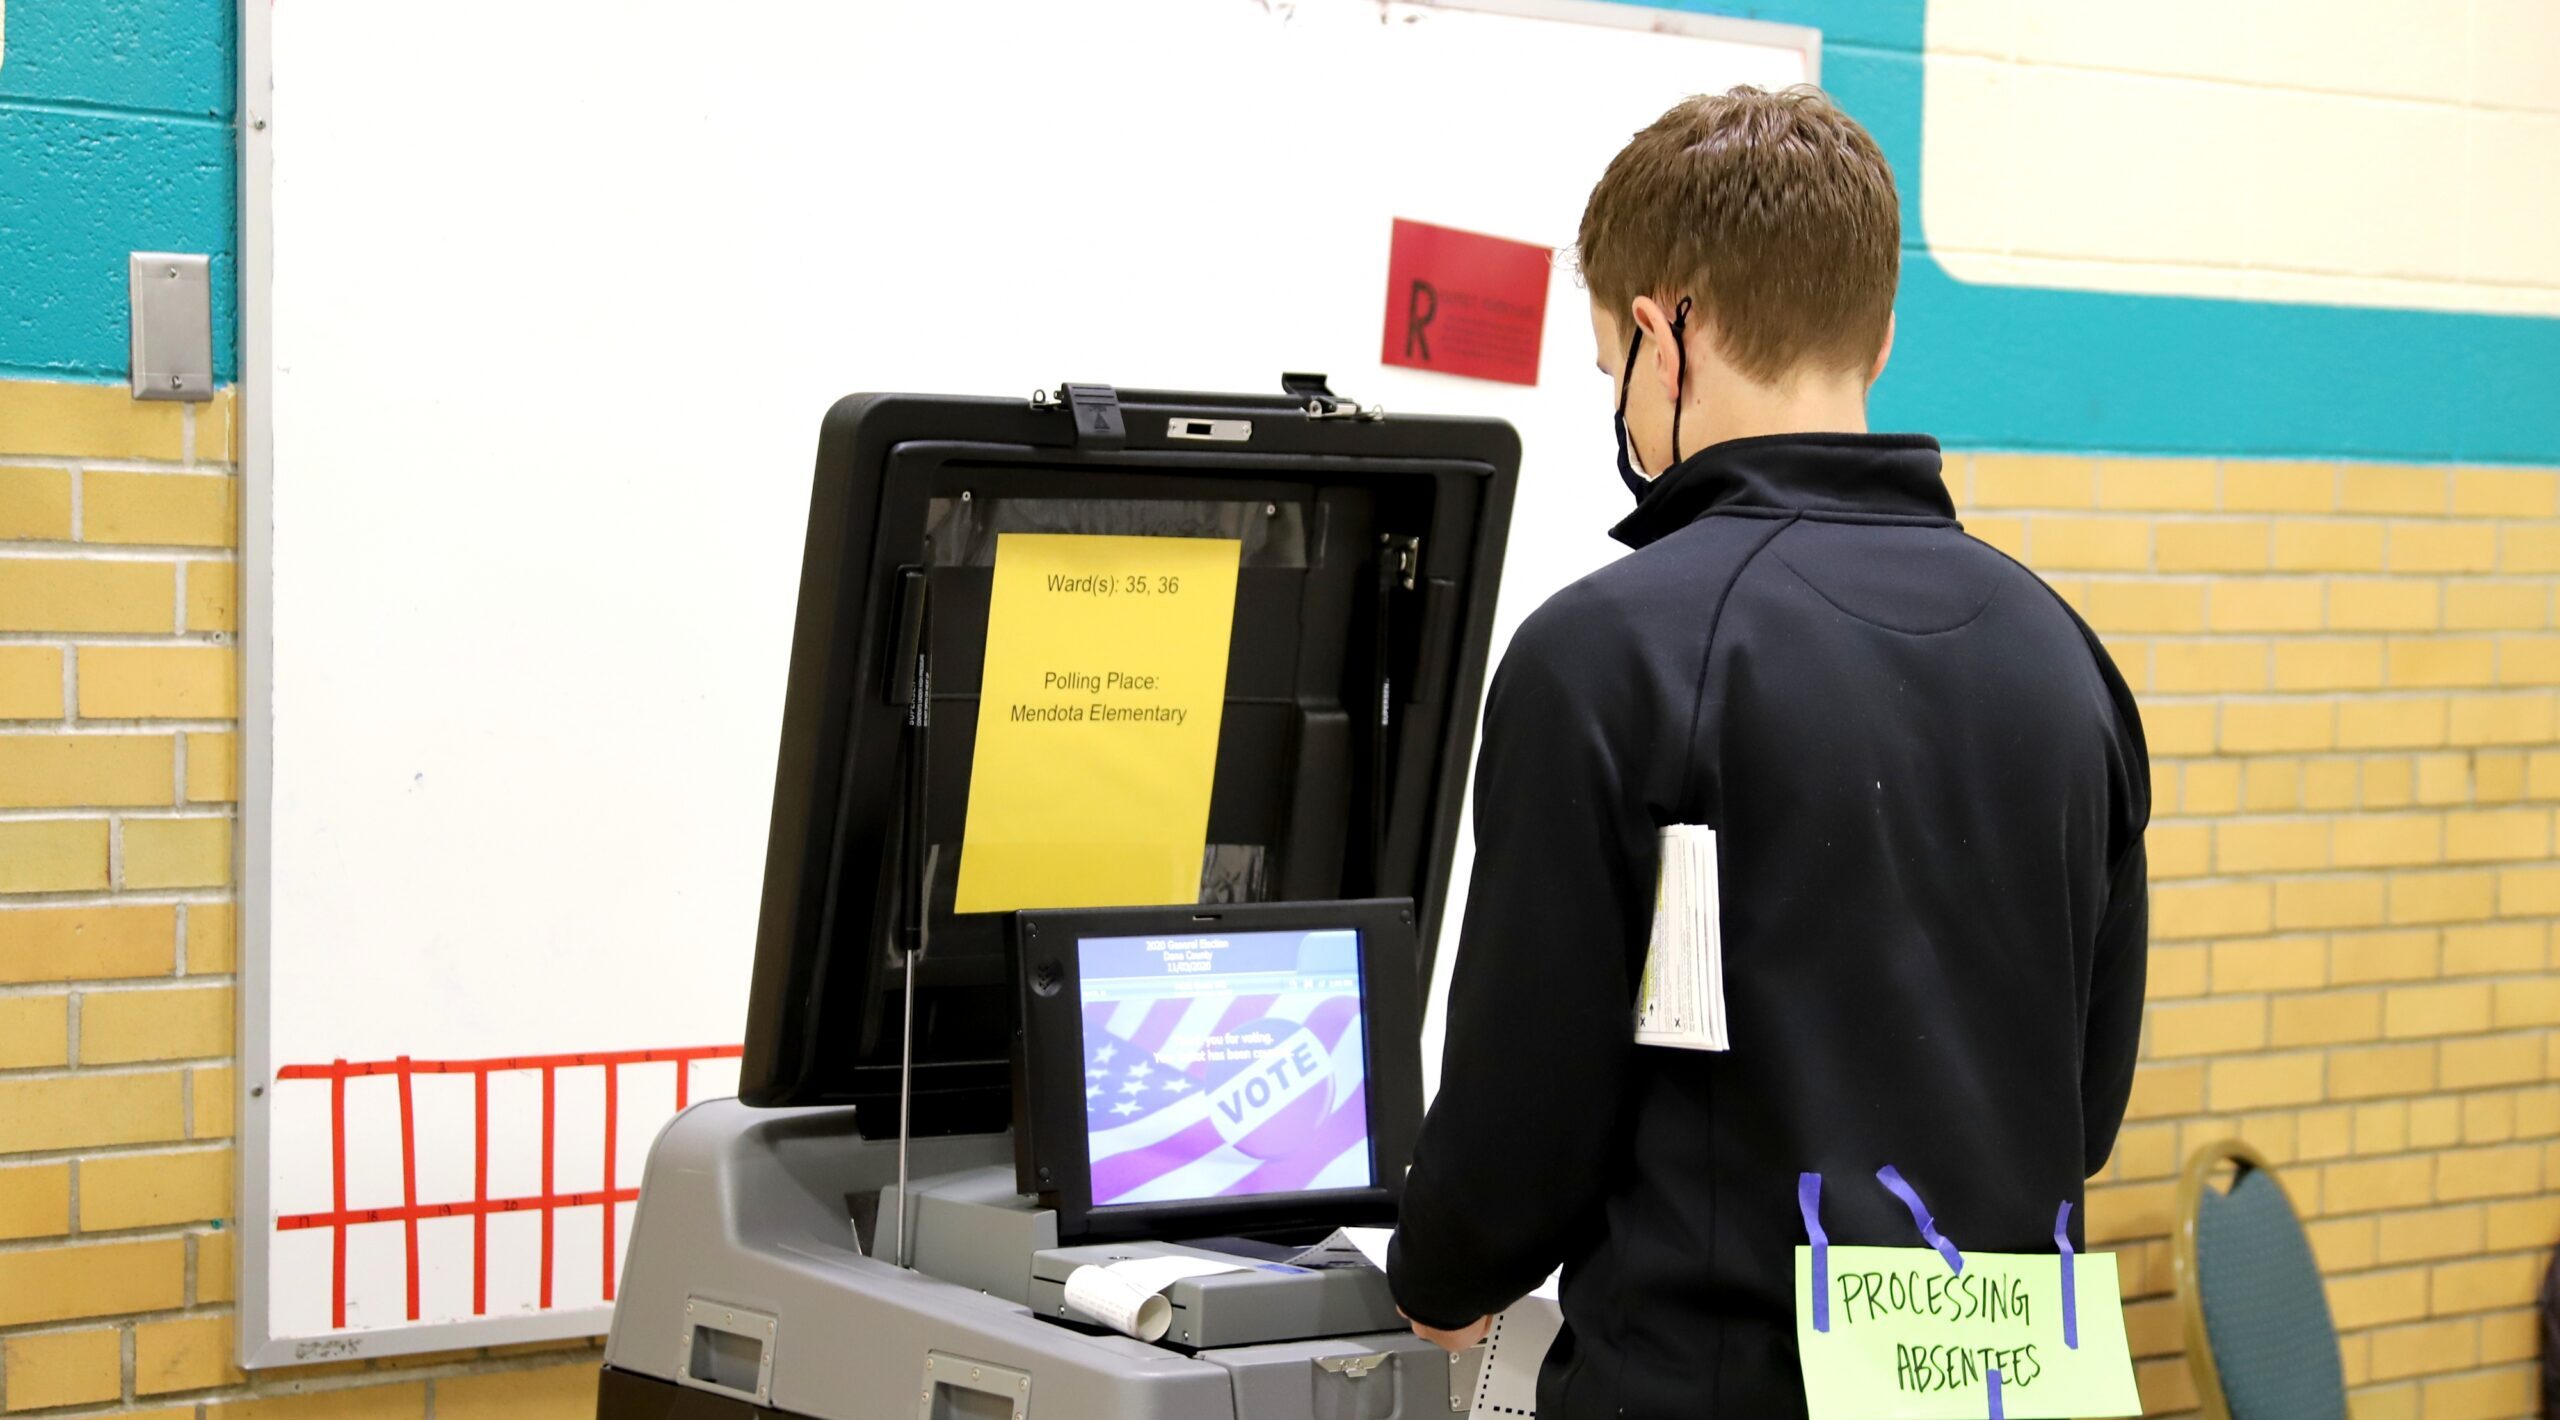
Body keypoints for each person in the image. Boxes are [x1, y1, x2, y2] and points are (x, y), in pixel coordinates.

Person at [1384, 85, 2150, 1418]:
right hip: (2004, 1390)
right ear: (1883, 329)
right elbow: (2075, 1111)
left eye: (1613, 373)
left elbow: (1524, 1115)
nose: (1623, 413)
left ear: (1658, 335)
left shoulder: (1610, 654)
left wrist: (1442, 1270)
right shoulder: (2066, 658)